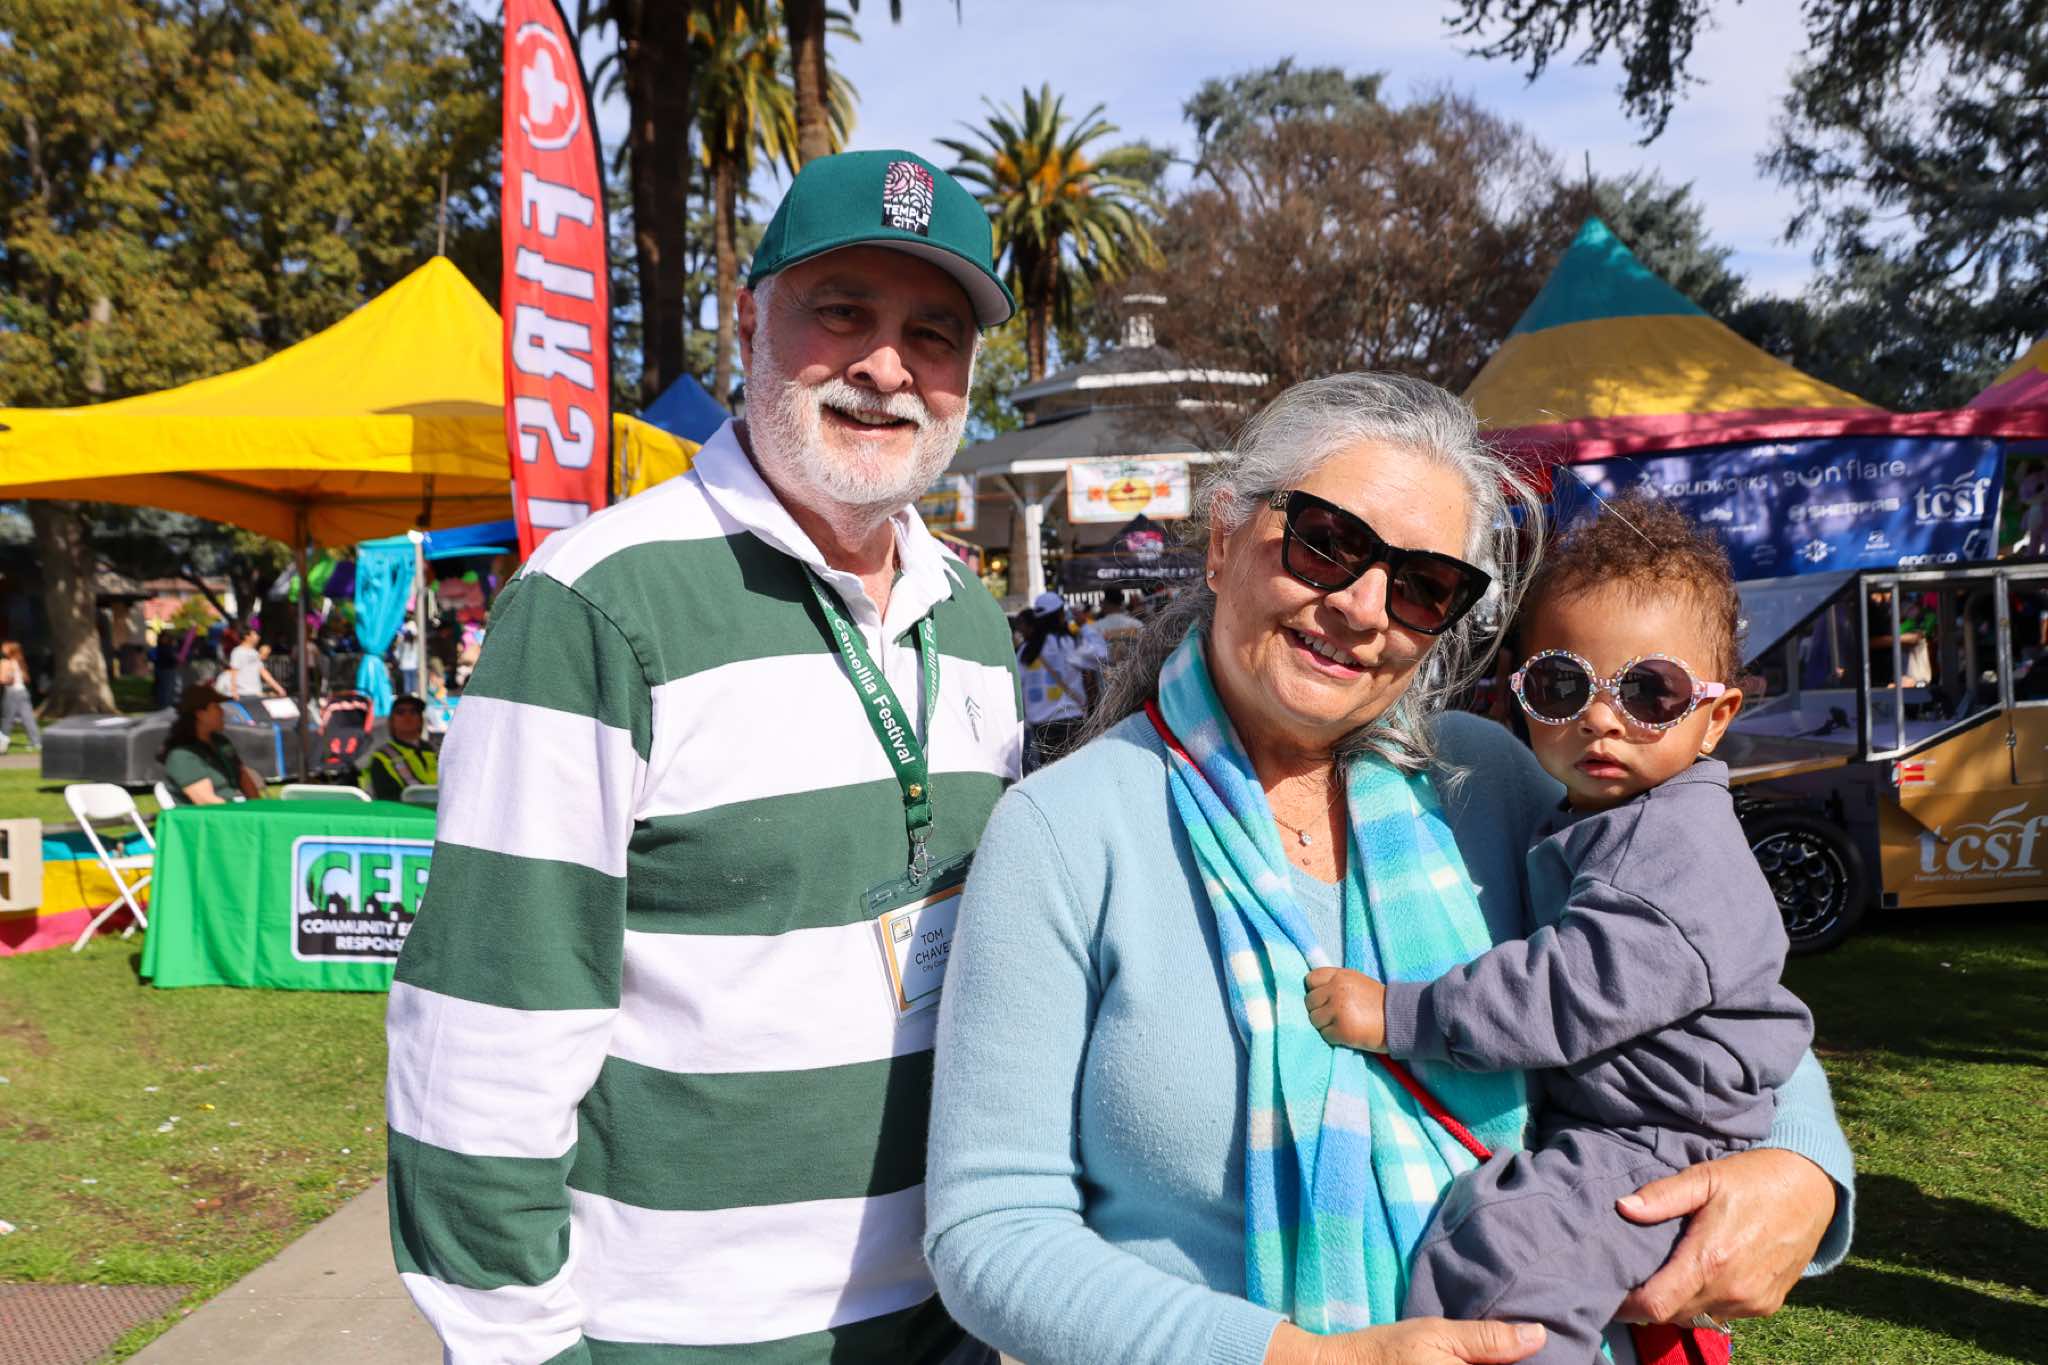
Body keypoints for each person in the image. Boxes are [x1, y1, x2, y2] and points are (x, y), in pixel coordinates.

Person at [924, 374, 1854, 1365]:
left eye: (1422, 585)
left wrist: (1803, 1169)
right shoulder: (1066, 830)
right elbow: (990, 1234)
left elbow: (1703, 979)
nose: (1364, 608)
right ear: (1224, 536)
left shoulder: (1493, 779)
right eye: (1325, 542)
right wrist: (1306, 1360)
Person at [386, 149, 1024, 1364]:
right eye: (843, 313)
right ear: (749, 322)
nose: (887, 367)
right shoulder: (595, 605)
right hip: (678, 1335)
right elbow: (481, 1027)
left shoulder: (974, 621)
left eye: (932, 335)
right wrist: (521, 1344)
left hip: (945, 1311)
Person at [1304, 493, 1813, 1363]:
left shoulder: (1672, 847)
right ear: (1518, 692)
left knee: (1503, 1272)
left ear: (1717, 716)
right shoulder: (1602, 815)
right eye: (1562, 685)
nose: (1601, 717)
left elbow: (1559, 994)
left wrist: (1395, 1013)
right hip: (1627, 1127)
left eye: (1652, 691)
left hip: (1661, 1141)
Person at [1017, 590, 1107, 770]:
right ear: (1060, 615)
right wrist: (1084, 626)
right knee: (1076, 772)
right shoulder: (1069, 644)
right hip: (1071, 721)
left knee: (1048, 774)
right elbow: (1102, 653)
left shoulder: (1025, 651)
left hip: (1039, 727)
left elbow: (1016, 686)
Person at [159, 683, 264, 805]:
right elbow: (206, 802)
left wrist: (258, 807)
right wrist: (242, 813)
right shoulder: (182, 755)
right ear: (200, 714)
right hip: (211, 815)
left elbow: (243, 777)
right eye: (216, 707)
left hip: (237, 809)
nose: (222, 712)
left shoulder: (221, 742)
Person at [358, 694, 437, 801]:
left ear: (421, 719)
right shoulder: (382, 757)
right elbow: (386, 797)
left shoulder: (436, 751)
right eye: (400, 712)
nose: (407, 716)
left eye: (413, 712)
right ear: (392, 721)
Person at [0, 641, 41, 753]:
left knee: (7, 718)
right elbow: (26, 679)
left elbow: (3, 679)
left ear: (10, 651)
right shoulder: (20, 662)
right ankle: (36, 742)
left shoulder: (5, 662)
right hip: (22, 692)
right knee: (28, 718)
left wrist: (7, 677)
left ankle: (2, 741)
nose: (2, 650)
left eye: (4, 648)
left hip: (12, 692)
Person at [226, 627, 286, 702]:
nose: (258, 637)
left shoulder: (254, 653)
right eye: (255, 634)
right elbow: (234, 671)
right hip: (242, 694)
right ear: (247, 637)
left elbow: (263, 672)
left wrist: (278, 688)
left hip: (256, 692)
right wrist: (234, 691)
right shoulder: (238, 651)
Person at [395, 622, 422, 697]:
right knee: (413, 684)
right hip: (413, 666)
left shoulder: (402, 642)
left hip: (404, 666)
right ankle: (412, 697)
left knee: (407, 684)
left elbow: (397, 654)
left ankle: (408, 697)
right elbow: (419, 656)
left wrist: (399, 661)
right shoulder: (417, 643)